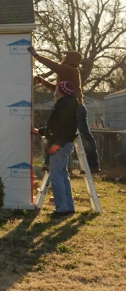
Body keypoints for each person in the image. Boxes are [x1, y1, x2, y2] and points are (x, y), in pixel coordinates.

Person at [28, 46, 100, 172]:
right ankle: (49, 163)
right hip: (69, 106)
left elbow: (54, 66)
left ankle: (93, 164)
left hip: (76, 107)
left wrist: (37, 56)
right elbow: (57, 89)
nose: (63, 57)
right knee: (56, 130)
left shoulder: (71, 70)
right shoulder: (65, 73)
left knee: (84, 134)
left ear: (70, 59)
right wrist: (43, 81)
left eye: (65, 56)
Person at [32, 81, 79, 216]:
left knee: (56, 175)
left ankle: (62, 209)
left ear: (62, 91)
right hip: (63, 144)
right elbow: (59, 127)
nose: (55, 90)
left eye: (57, 88)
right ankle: (69, 207)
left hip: (60, 145)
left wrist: (58, 143)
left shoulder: (64, 106)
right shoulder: (68, 104)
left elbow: (65, 128)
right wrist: (39, 131)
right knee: (63, 174)